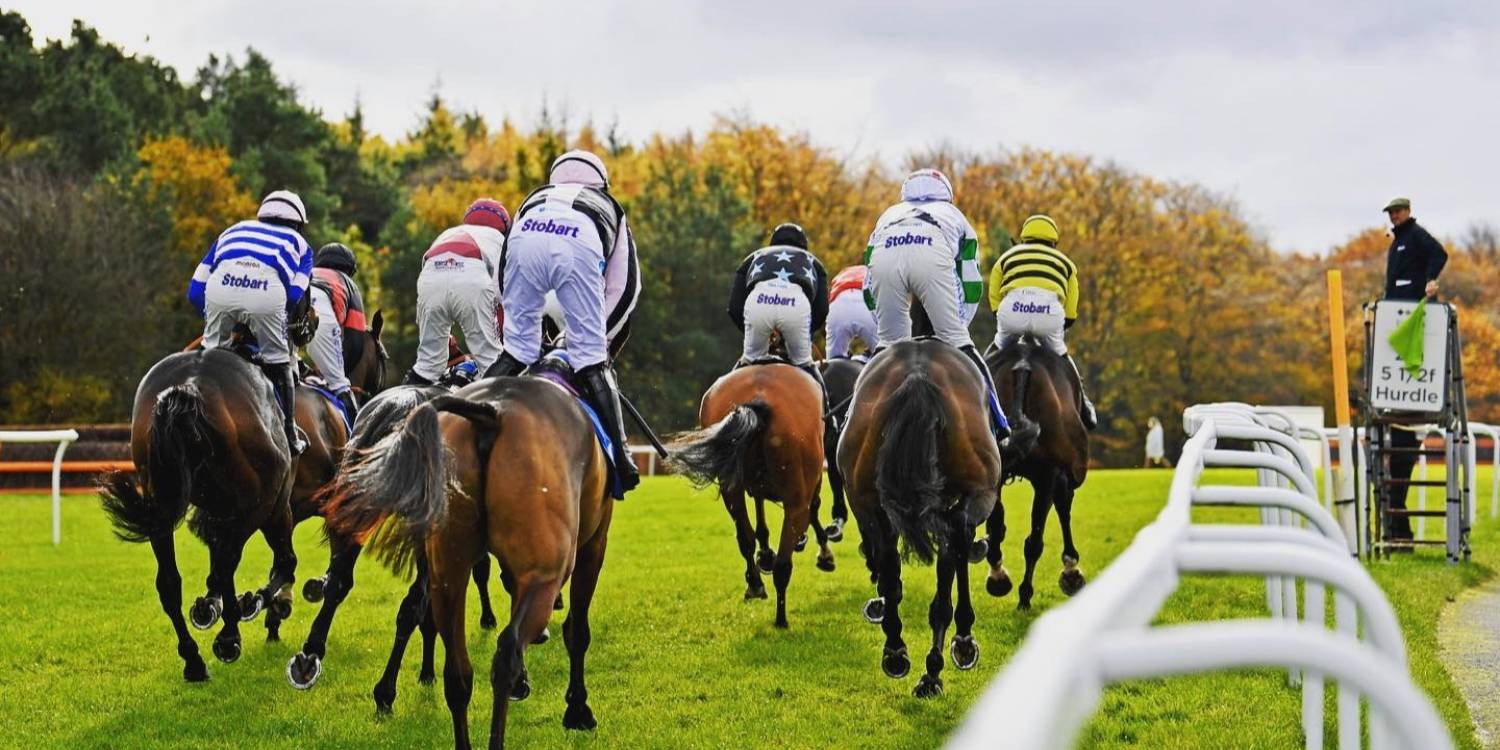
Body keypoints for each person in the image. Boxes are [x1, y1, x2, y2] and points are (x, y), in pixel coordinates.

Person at [486, 150, 643, 495]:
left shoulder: (534, 197)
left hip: (527, 239)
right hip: (578, 245)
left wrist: (520, 332)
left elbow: (503, 274)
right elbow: (625, 288)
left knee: (517, 352)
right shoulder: (611, 208)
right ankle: (622, 457)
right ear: (602, 184)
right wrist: (595, 340)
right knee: (591, 359)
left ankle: (468, 416)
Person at [863, 168, 1005, 437]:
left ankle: (851, 419)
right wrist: (959, 328)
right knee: (961, 344)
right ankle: (999, 422)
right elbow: (971, 281)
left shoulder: (888, 214)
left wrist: (884, 328)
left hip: (885, 256)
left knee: (885, 350)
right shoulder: (954, 215)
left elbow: (869, 280)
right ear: (946, 194)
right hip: (933, 251)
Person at [187, 190, 314, 455]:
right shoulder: (301, 245)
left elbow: (195, 291)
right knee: (280, 363)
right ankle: (290, 434)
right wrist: (264, 324)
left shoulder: (232, 230)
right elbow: (294, 296)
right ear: (298, 225)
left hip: (219, 293)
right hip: (267, 298)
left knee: (211, 357)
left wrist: (226, 323)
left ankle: (195, 417)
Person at [989, 214, 1098, 429]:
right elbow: (1071, 306)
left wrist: (999, 315)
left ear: (1024, 238)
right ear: (1053, 241)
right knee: (1063, 356)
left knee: (995, 350)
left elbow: (994, 290)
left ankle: (978, 389)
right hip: (1048, 314)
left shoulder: (1007, 256)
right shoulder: (1066, 263)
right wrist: (1065, 324)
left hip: (1013, 311)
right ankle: (1085, 405)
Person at [1381, 196, 1448, 540]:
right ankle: (1397, 523)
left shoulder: (1416, 235)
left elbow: (1439, 254)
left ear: (1407, 211)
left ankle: (1398, 523)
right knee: (1395, 455)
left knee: (1402, 450)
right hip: (1396, 317)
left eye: (1397, 212)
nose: (1394, 216)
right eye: (1391, 213)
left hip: (1411, 316)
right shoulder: (1398, 241)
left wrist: (1431, 281)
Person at [402, 198, 511, 386]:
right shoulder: (501, 240)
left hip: (431, 277)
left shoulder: (448, 233)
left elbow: (427, 275)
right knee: (491, 360)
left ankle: (404, 399)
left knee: (428, 365)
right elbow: (504, 298)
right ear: (503, 228)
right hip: (472, 275)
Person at [727, 222, 830, 410]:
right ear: (804, 245)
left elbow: (734, 308)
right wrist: (798, 335)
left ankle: (724, 408)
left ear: (772, 243)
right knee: (806, 364)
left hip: (759, 302)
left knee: (747, 360)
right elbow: (822, 310)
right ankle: (828, 417)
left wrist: (758, 334)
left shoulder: (754, 257)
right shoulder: (814, 262)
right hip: (795, 305)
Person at [306, 242, 367, 419]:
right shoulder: (347, 283)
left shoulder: (309, 272)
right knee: (340, 384)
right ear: (349, 270)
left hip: (289, 305)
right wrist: (338, 372)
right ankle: (355, 433)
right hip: (320, 312)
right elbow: (355, 342)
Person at [824, 264, 877, 358]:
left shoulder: (843, 272)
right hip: (864, 300)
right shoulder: (874, 271)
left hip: (838, 302)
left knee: (833, 361)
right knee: (886, 356)